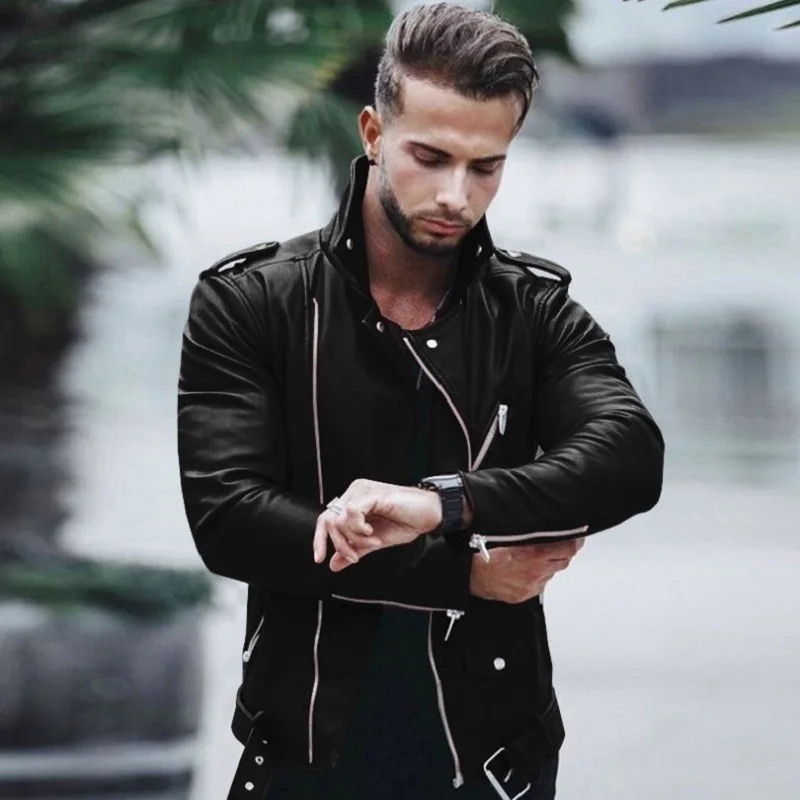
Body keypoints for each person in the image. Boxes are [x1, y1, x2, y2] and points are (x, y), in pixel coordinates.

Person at [177, 3, 664, 799]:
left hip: (494, 760)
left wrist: (444, 504)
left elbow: (630, 456)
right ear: (373, 133)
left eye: (486, 167)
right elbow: (230, 520)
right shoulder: (252, 301)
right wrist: (460, 576)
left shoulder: (534, 310)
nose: (455, 195)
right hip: (305, 751)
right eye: (429, 157)